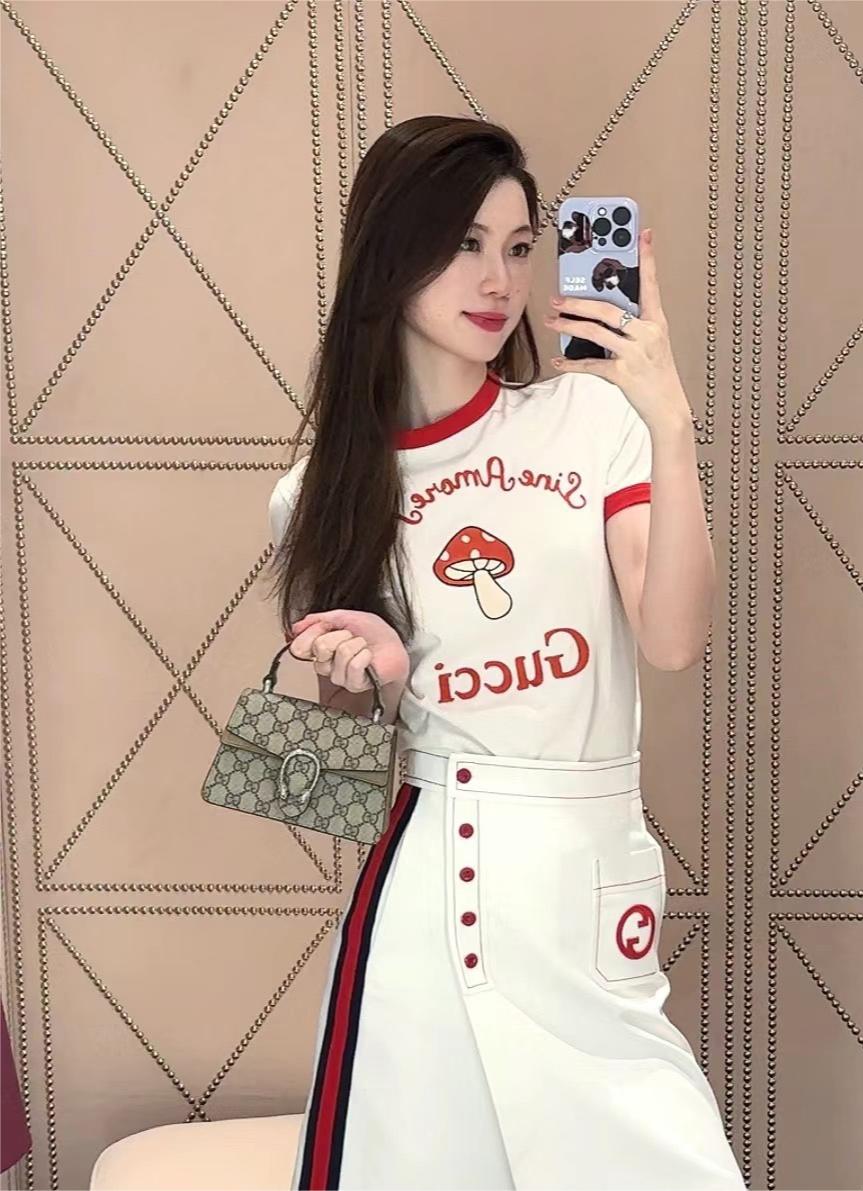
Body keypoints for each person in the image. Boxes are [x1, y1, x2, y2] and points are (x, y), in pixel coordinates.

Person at [266, 114, 744, 1191]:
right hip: (428, 891)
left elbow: (673, 639)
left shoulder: (589, 421)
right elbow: (333, 787)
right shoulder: (319, 495)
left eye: (520, 247)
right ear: (391, 255)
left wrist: (670, 425)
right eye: (464, 244)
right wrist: (371, 681)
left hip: (583, 882)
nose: (500, 280)